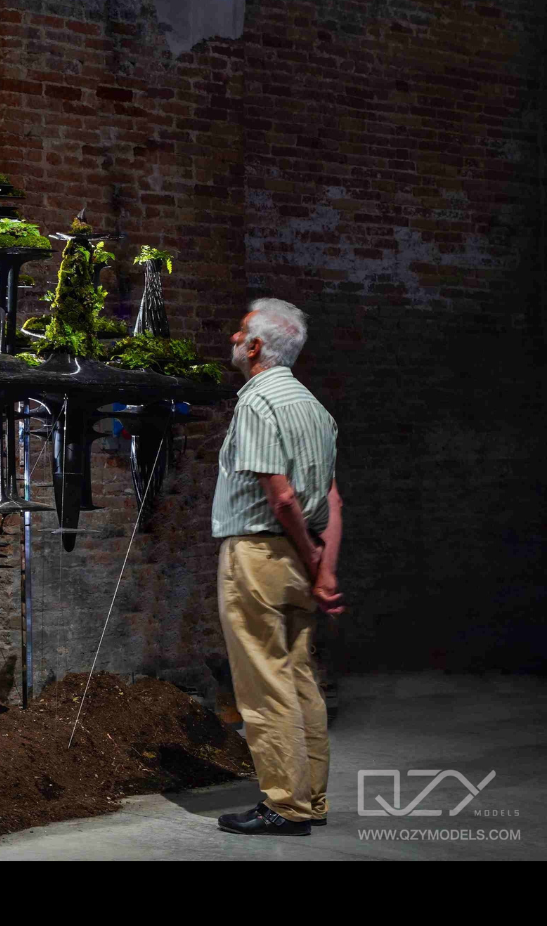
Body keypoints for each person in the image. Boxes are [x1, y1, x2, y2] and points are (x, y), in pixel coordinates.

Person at [210, 298, 344, 837]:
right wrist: (321, 565)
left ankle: (284, 805)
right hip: (299, 554)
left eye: (240, 332)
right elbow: (332, 499)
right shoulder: (314, 408)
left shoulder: (258, 403)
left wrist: (312, 556)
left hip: (260, 554)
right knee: (299, 677)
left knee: (265, 683)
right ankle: (310, 799)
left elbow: (282, 497)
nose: (233, 340)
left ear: (257, 346)